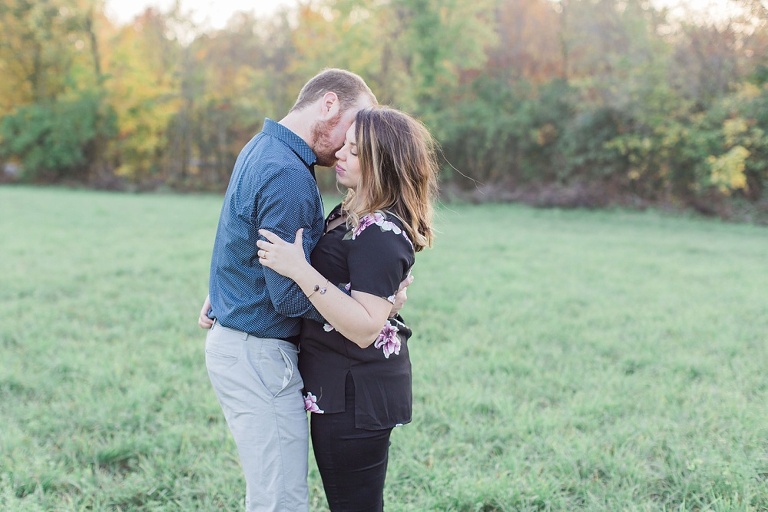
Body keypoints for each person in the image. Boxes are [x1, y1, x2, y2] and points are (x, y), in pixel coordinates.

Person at [199, 69, 411, 512]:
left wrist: (228, 288)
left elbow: (241, 235)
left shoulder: (262, 147)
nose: (345, 148)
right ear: (329, 104)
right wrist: (369, 309)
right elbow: (288, 294)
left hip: (245, 347)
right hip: (258, 353)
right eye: (350, 132)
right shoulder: (289, 175)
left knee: (277, 495)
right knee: (281, 501)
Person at [256, 105, 439, 511]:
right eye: (346, 146)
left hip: (357, 394)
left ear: (382, 164)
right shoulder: (350, 214)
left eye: (355, 151)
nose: (339, 154)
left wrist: (299, 270)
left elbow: (364, 327)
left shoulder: (381, 231)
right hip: (339, 386)